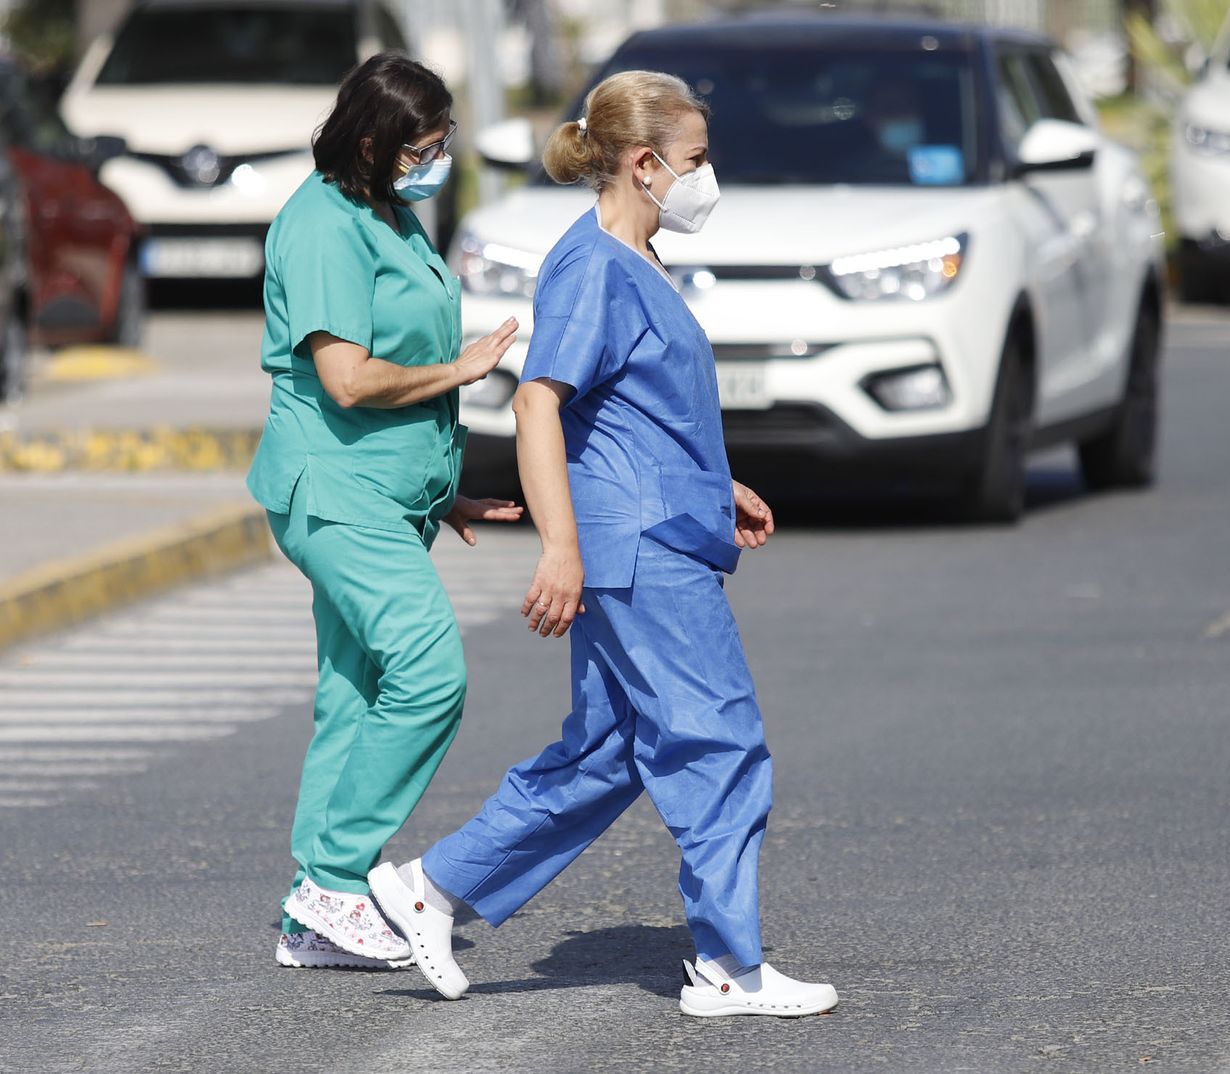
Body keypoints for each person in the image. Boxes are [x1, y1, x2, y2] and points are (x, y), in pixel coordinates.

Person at [368, 70, 839, 1018]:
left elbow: (635, 418)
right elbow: (541, 401)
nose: (709, 177)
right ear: (645, 162)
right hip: (638, 556)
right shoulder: (594, 267)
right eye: (698, 159)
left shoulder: (639, 257)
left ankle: (431, 887)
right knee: (720, 741)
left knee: (614, 749)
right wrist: (561, 549)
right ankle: (727, 967)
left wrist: (717, 488)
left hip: (658, 531)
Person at [245, 53, 524, 970]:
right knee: (429, 675)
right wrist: (465, 369)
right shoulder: (324, 225)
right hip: (333, 492)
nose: (436, 160)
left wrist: (445, 492)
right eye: (425, 146)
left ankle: (310, 916)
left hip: (384, 495)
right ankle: (335, 881)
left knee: (357, 693)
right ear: (372, 142)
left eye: (443, 144)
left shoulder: (388, 213)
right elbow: (350, 378)